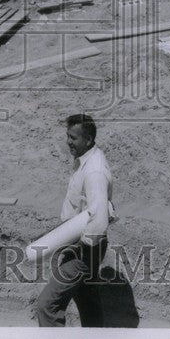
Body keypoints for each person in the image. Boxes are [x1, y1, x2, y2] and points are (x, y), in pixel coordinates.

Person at [35, 113, 115, 327]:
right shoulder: (87, 161)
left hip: (83, 249)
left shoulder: (94, 171)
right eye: (68, 136)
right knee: (88, 303)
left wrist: (76, 247)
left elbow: (98, 221)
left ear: (88, 140)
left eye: (73, 138)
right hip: (81, 246)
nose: (68, 141)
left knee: (46, 306)